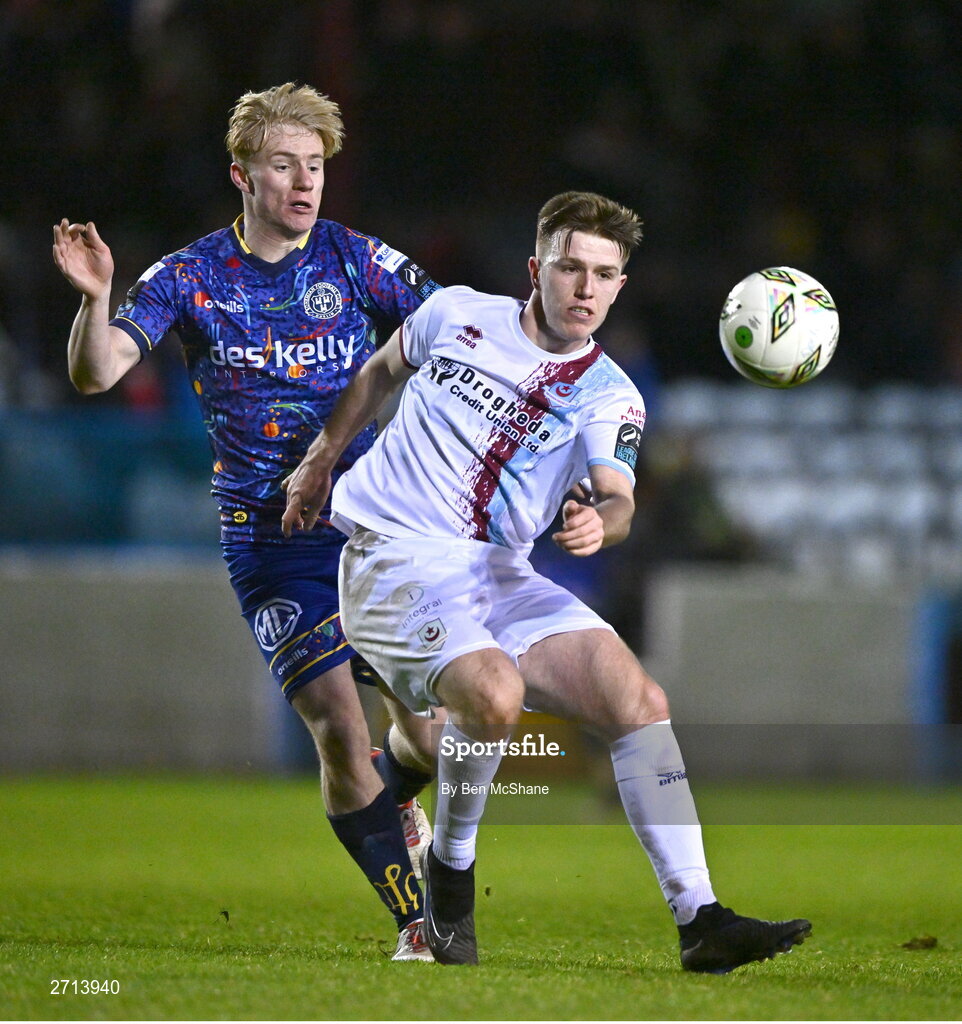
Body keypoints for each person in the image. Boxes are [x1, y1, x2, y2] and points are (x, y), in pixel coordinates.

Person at [282, 190, 812, 972]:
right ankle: (450, 880)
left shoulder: (610, 394)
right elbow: (379, 371)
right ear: (537, 269)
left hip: (498, 573)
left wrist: (606, 517)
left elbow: (618, 489)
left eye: (605, 274)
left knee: (639, 702)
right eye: (570, 268)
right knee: (492, 695)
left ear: (621, 285)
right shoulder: (457, 314)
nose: (586, 288)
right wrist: (322, 457)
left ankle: (699, 919)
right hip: (391, 555)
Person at [52, 82, 445, 962]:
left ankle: (406, 792)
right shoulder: (189, 275)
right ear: (241, 174)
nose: (305, 183)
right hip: (269, 540)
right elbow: (96, 372)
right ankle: (419, 923)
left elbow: (452, 336)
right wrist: (95, 298)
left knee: (425, 733)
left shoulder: (355, 260)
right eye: (283, 165)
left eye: (315, 166)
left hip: (376, 524)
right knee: (341, 730)